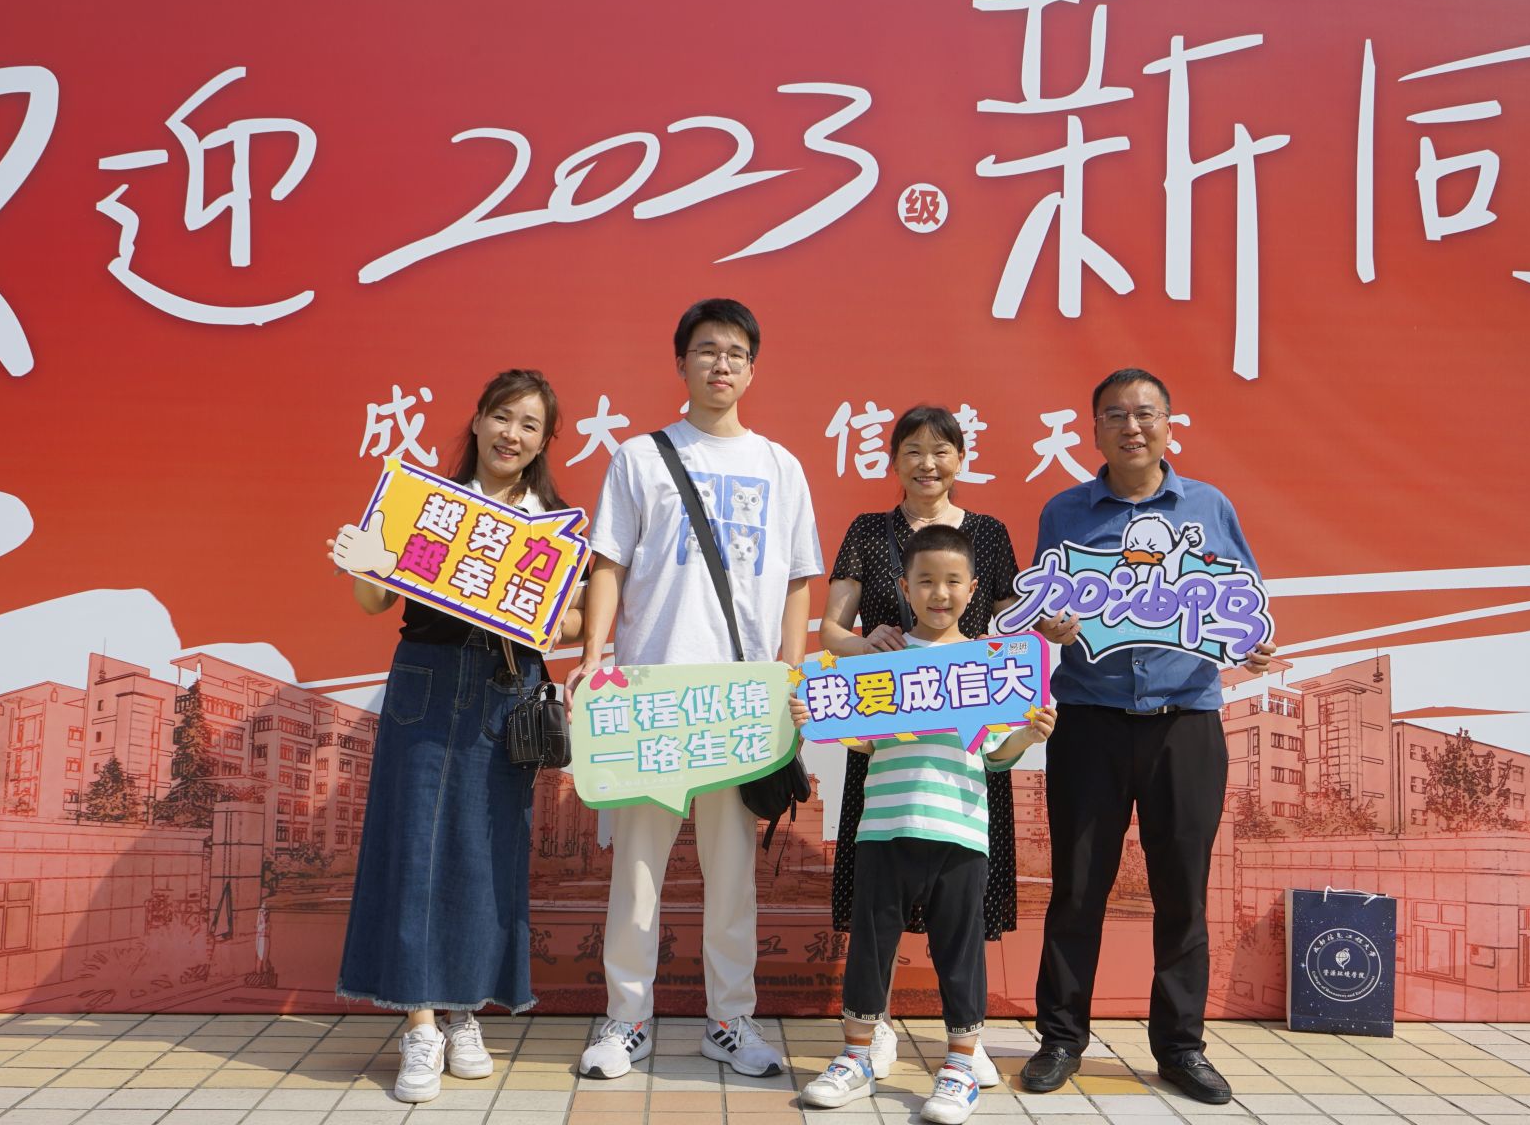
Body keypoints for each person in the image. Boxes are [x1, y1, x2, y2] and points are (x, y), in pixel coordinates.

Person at [571, 298, 823, 1080]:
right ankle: (626, 1020)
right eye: (707, 349)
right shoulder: (641, 458)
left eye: (736, 353)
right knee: (637, 875)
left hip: (739, 705)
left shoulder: (780, 466)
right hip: (651, 697)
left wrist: (788, 672)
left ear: (752, 369)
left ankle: (729, 1021)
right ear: (680, 362)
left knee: (733, 876)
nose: (722, 364)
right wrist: (594, 657)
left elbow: (798, 582)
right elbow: (608, 564)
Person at [1018, 368, 1275, 1106]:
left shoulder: (1209, 506)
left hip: (1185, 723)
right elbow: (1044, 605)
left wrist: (1251, 639)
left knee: (1182, 893)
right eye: (1115, 415)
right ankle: (1060, 1039)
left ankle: (1181, 1047)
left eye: (1145, 413)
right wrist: (1050, 623)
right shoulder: (1065, 511)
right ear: (1095, 431)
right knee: (1077, 889)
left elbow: (1244, 597)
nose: (1131, 427)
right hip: (1089, 723)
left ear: (1168, 424)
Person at [327, 369, 583, 1104]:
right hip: (428, 678)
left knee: (485, 853)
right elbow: (374, 600)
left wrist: (541, 616)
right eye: (502, 417)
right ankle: (419, 1025)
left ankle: (465, 1010)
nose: (512, 434)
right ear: (476, 421)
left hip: (507, 688)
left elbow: (572, 621)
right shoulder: (427, 505)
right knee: (415, 848)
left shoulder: (553, 526)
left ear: (544, 441)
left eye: (530, 425)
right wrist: (366, 560)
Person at [800, 524, 1056, 1124]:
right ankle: (856, 1057)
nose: (940, 593)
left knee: (960, 951)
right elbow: (863, 744)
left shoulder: (989, 665)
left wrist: (1027, 734)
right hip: (883, 827)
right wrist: (816, 717)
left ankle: (960, 1065)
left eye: (952, 581)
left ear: (973, 588)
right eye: (926, 581)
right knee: (870, 947)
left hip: (960, 832)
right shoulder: (881, 661)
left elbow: (995, 756)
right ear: (904, 587)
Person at [817, 406, 1021, 1088]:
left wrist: (1019, 655)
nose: (927, 464)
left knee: (963, 893)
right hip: (888, 733)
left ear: (960, 458)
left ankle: (965, 1036)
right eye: (912, 450)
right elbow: (832, 631)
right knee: (878, 890)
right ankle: (871, 1029)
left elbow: (1010, 625)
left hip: (965, 731)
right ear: (893, 460)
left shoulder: (988, 534)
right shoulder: (868, 531)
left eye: (941, 450)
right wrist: (862, 645)